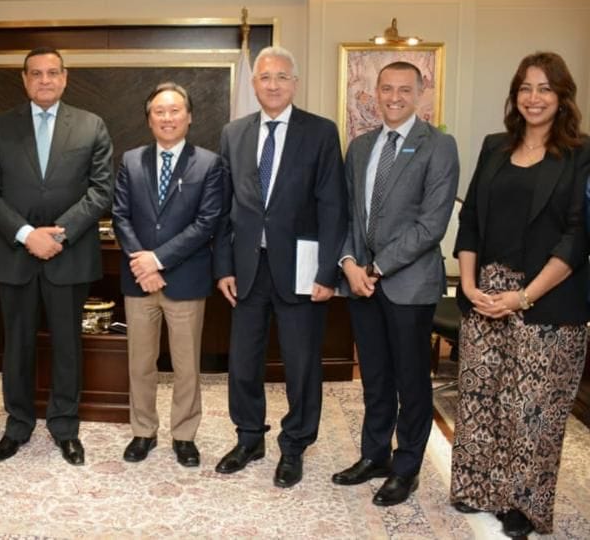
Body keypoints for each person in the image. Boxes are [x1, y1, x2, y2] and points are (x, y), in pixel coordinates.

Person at [450, 51, 589, 538]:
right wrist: (469, 286)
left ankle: (523, 504)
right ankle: (477, 488)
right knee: (482, 398)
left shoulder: (582, 154)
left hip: (546, 300)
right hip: (485, 294)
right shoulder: (494, 146)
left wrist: (523, 297)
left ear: (562, 97)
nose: (534, 98)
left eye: (545, 88)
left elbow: (577, 237)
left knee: (531, 410)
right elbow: (470, 219)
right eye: (526, 88)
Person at [213, 45, 347, 487]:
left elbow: (333, 206)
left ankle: (294, 445)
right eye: (265, 77)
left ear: (295, 83)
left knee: (301, 364)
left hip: (301, 270)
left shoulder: (320, 132)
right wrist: (224, 267)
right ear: (254, 84)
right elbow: (223, 206)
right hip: (248, 268)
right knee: (243, 362)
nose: (273, 85)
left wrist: (327, 272)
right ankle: (249, 438)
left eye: (282, 77)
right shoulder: (234, 132)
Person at [0, 46, 114, 465]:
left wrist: (59, 234)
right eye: (35, 73)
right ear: (24, 80)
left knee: (67, 346)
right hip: (16, 254)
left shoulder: (91, 125)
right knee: (16, 346)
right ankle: (17, 425)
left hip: (67, 254)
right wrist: (26, 235)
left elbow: (101, 190)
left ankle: (65, 426)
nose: (44, 80)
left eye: (52, 72)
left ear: (65, 77)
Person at [332, 61, 459, 505]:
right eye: (386, 88)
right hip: (362, 284)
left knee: (411, 381)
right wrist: (349, 263)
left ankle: (406, 469)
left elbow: (431, 225)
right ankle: (374, 456)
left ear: (421, 94)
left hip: (409, 285)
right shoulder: (361, 146)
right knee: (375, 377)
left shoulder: (438, 146)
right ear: (375, 93)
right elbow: (348, 215)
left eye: (405, 89)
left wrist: (377, 267)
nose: (394, 97)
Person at [112, 82, 225, 467]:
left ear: (189, 117)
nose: (167, 118)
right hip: (138, 282)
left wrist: (157, 260)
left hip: (185, 280)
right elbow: (120, 216)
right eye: (159, 111)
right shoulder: (131, 161)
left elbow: (207, 222)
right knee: (140, 363)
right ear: (149, 119)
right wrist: (143, 265)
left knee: (186, 365)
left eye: (175, 110)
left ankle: (184, 435)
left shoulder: (208, 163)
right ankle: (143, 431)